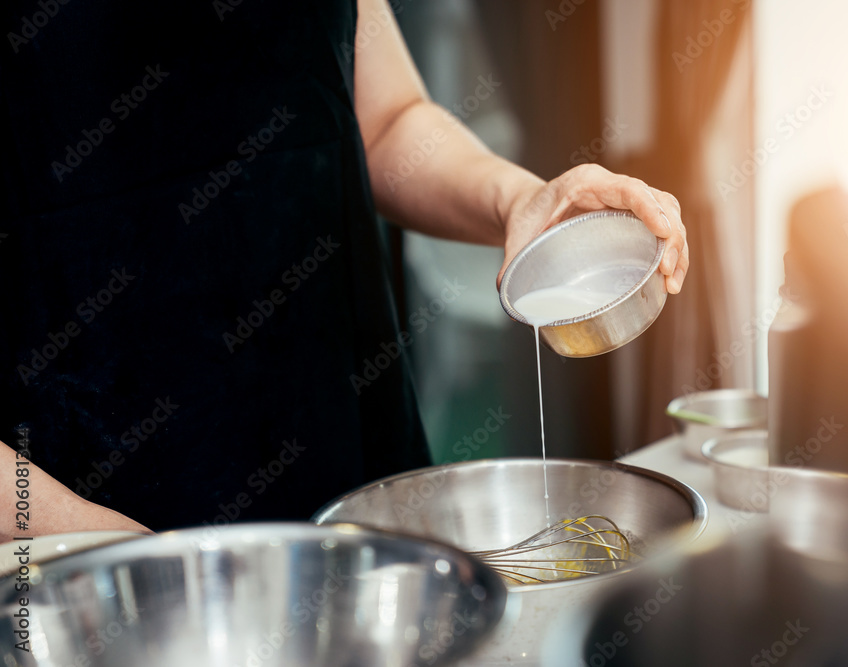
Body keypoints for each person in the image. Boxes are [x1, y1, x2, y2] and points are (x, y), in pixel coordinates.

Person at [0, 0, 687, 541]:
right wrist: (98, 552)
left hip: (343, 439)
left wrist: (515, 200)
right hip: (75, 512)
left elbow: (384, 119)